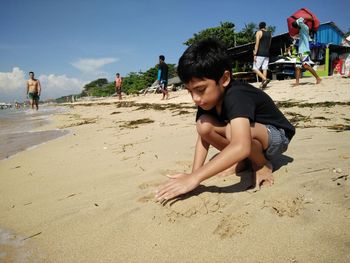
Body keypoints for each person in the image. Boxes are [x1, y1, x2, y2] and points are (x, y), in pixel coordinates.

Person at [155, 39, 295, 201]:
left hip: (276, 137)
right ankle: (244, 161)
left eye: (200, 89)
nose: (195, 98)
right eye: (190, 91)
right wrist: (193, 174)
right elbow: (203, 137)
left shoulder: (237, 94)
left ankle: (261, 164)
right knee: (203, 125)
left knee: (232, 131)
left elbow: (241, 145)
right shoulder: (207, 100)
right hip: (250, 138)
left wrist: (196, 178)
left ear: (224, 79)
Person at [292, 17, 321, 86]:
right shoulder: (301, 31)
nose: (296, 27)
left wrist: (306, 18)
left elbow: (301, 20)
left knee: (306, 66)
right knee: (297, 66)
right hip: (300, 51)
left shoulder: (304, 28)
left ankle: (318, 78)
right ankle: (297, 82)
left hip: (304, 51)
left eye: (295, 26)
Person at [253, 22, 272, 89]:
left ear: (259, 27)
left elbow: (257, 44)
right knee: (265, 68)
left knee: (255, 68)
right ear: (265, 26)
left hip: (260, 53)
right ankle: (264, 84)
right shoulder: (270, 33)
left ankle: (265, 79)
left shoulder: (258, 32)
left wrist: (255, 54)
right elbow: (269, 44)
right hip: (267, 53)